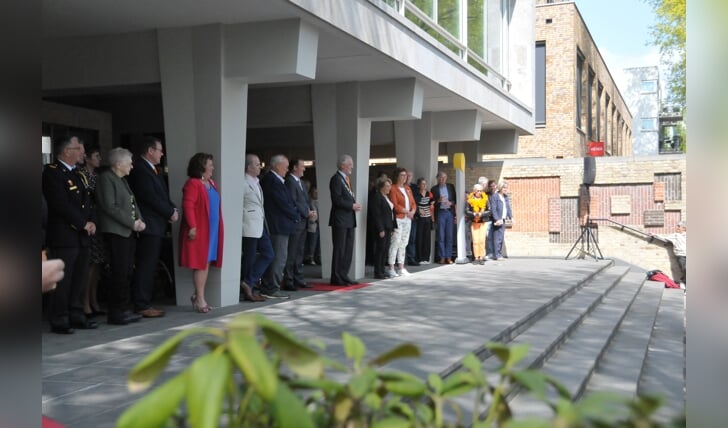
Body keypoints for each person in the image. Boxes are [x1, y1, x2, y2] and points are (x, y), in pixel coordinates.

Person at [42, 136, 98, 333]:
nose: (82, 153)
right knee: (63, 280)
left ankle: (76, 313)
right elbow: (60, 204)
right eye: (78, 149)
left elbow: (87, 201)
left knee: (79, 278)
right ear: (66, 151)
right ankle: (59, 318)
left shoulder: (79, 174)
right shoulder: (52, 173)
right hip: (64, 235)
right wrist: (83, 223)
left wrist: (90, 222)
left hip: (82, 235)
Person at [127, 136, 178, 318]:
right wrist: (168, 212)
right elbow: (149, 196)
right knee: (146, 265)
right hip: (148, 225)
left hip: (156, 224)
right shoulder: (140, 169)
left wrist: (172, 208)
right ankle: (141, 303)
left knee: (150, 265)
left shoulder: (152, 169)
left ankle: (145, 301)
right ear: (150, 151)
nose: (162, 153)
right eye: (159, 150)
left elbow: (162, 195)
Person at [94, 148, 145, 325]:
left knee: (127, 271)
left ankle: (124, 308)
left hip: (127, 231)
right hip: (116, 231)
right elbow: (110, 206)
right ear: (118, 163)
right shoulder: (106, 179)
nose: (132, 165)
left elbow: (132, 202)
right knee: (119, 271)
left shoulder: (122, 180)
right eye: (129, 162)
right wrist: (132, 223)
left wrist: (139, 219)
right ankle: (116, 312)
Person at [179, 153, 225, 313]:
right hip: (200, 230)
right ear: (201, 166)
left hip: (212, 230)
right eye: (210, 164)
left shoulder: (211, 183)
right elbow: (188, 205)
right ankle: (200, 299)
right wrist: (192, 226)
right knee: (200, 263)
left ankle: (198, 295)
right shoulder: (193, 183)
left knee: (206, 263)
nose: (213, 167)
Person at [260, 154, 299, 298]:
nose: (287, 170)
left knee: (280, 256)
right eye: (285, 167)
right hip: (277, 226)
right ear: (277, 166)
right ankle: (271, 287)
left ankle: (271, 285)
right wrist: (296, 214)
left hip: (280, 225)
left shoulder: (276, 180)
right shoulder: (271, 181)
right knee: (279, 257)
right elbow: (283, 203)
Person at [78, 145, 106, 318]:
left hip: (99, 222)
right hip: (88, 222)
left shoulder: (98, 177)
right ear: (87, 158)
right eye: (96, 155)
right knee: (88, 264)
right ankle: (85, 302)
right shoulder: (82, 176)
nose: (99, 159)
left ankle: (94, 299)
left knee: (97, 264)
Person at [240, 154, 270, 302]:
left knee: (269, 253)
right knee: (249, 258)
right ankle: (247, 290)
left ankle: (248, 282)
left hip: (260, 224)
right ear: (249, 167)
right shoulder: (243, 182)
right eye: (257, 164)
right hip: (249, 225)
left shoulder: (257, 181)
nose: (260, 167)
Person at [329, 154, 362, 285]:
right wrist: (351, 205)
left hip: (349, 219)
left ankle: (344, 274)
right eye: (350, 164)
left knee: (348, 249)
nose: (352, 167)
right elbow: (336, 199)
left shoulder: (346, 179)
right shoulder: (336, 179)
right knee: (339, 249)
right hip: (340, 219)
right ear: (342, 165)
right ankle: (336, 276)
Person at [283, 158, 316, 290]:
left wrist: (311, 210)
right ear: (295, 167)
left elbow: (306, 200)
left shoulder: (301, 182)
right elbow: (292, 201)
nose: (304, 168)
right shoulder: (290, 182)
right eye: (302, 166)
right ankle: (289, 280)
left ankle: (298, 278)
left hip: (303, 222)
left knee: (299, 252)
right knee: (292, 252)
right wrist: (306, 212)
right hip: (296, 222)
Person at [387, 167, 417, 277]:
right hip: (399, 218)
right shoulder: (393, 188)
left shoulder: (408, 188)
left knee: (404, 243)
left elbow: (413, 203)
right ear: (397, 176)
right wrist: (406, 211)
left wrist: (412, 211)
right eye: (402, 175)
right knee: (395, 242)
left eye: (406, 175)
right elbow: (394, 204)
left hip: (408, 219)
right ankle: (391, 267)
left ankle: (401, 266)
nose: (405, 177)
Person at [368, 177, 396, 279]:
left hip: (388, 227)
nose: (389, 188)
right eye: (387, 186)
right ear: (381, 187)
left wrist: (393, 228)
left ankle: (382, 270)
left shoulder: (386, 197)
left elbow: (392, 213)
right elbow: (376, 214)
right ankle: (378, 272)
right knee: (380, 249)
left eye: (390, 186)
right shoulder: (377, 197)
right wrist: (380, 229)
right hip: (382, 228)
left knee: (385, 249)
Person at [431, 171, 457, 264]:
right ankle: (442, 257)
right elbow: (432, 202)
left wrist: (451, 203)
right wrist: (438, 200)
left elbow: (455, 199)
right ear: (437, 179)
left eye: (444, 178)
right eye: (440, 178)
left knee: (449, 236)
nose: (442, 180)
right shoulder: (434, 189)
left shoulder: (451, 187)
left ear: (446, 179)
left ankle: (448, 257)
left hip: (449, 212)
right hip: (441, 213)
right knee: (441, 236)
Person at [653, 221, 687, 289]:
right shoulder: (675, 235)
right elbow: (664, 238)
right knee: (684, 269)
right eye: (677, 226)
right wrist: (655, 235)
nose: (677, 227)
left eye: (679, 226)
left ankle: (684, 283)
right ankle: (684, 283)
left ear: (684, 228)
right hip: (681, 255)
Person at [465, 183, 489, 264]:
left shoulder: (485, 199)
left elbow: (489, 210)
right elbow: (467, 210)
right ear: (474, 191)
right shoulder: (469, 199)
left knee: (482, 240)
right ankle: (476, 257)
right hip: (474, 222)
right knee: (475, 241)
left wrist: (482, 214)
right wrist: (473, 214)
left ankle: (481, 257)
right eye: (478, 191)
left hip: (483, 222)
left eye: (481, 191)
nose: (480, 192)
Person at [488, 181, 512, 261]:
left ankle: (499, 254)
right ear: (500, 188)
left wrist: (511, 217)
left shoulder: (505, 196)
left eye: (506, 188)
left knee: (501, 238)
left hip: (503, 219)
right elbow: (493, 209)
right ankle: (497, 255)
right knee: (497, 238)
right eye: (504, 188)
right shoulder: (495, 196)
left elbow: (508, 207)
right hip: (498, 220)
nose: (506, 189)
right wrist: (497, 219)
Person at [413, 178, 434, 264]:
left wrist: (432, 204)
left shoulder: (429, 194)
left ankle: (426, 258)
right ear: (419, 185)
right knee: (419, 238)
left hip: (428, 218)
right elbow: (413, 204)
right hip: (420, 218)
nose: (425, 186)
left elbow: (432, 203)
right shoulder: (416, 194)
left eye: (425, 184)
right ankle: (419, 258)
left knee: (427, 238)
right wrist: (418, 210)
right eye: (422, 184)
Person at [405, 170, 419, 266]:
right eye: (407, 175)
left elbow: (416, 200)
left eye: (410, 176)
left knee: (412, 238)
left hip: (412, 215)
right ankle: (401, 259)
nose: (408, 177)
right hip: (403, 215)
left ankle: (411, 258)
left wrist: (413, 212)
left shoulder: (414, 187)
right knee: (402, 239)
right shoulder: (399, 187)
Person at [304, 185, 320, 266]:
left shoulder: (319, 201)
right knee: (312, 242)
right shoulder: (309, 202)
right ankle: (310, 257)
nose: (316, 194)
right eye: (315, 192)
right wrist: (316, 220)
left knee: (318, 243)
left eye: (317, 192)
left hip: (319, 226)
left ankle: (317, 257)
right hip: (312, 225)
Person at [485, 179, 498, 259]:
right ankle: (490, 253)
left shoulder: (499, 194)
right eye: (490, 186)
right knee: (489, 237)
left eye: (493, 186)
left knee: (497, 237)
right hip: (489, 218)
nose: (492, 188)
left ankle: (497, 253)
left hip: (498, 219)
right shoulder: (486, 195)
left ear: (496, 186)